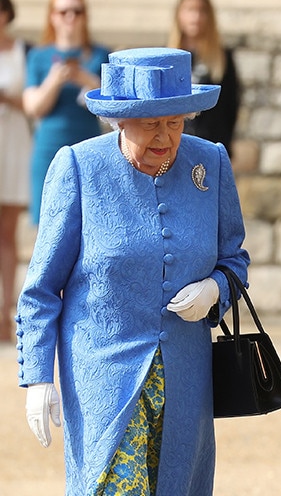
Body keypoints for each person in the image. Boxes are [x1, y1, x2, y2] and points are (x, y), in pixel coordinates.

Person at [16, 47, 250, 496]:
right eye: (150, 124)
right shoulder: (79, 168)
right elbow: (41, 289)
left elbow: (235, 261)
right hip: (103, 377)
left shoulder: (211, 163)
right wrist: (39, 376)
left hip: (186, 380)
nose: (165, 136)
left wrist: (214, 289)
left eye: (175, 122)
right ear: (119, 120)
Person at [23, 0, 109, 224]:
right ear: (52, 16)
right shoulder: (38, 56)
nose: (70, 17)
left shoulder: (100, 54)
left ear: (85, 16)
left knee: (91, 223)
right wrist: (55, 79)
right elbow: (33, 107)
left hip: (89, 148)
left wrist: (85, 79)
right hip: (48, 149)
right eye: (63, 12)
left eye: (77, 11)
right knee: (48, 225)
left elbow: (112, 104)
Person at [167, 0, 240, 157]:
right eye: (190, 10)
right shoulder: (167, 56)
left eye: (202, 11)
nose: (196, 17)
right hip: (173, 147)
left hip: (210, 145)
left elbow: (231, 105)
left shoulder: (222, 57)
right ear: (179, 14)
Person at [0, 0, 31, 341]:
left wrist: (7, 97)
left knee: (7, 234)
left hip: (13, 141)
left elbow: (32, 101)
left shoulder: (24, 50)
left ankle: (5, 312)